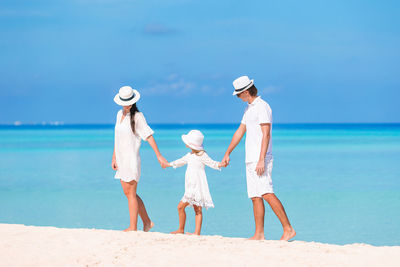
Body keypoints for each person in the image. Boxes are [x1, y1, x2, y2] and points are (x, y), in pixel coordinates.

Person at [221, 76, 296, 241]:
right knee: (255, 196)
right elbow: (240, 131)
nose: (238, 98)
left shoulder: (262, 107)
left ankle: (288, 229)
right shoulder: (248, 108)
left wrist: (262, 159)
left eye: (239, 95)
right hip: (250, 158)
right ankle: (259, 234)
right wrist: (228, 153)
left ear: (246, 92)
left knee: (267, 192)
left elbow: (266, 134)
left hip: (261, 157)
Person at [112, 85, 169, 232]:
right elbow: (117, 138)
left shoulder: (138, 117)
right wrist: (114, 157)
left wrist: (159, 155)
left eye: (127, 101)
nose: (125, 104)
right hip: (121, 159)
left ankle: (133, 227)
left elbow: (148, 136)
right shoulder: (119, 114)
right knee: (129, 193)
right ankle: (147, 222)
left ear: (132, 101)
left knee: (131, 193)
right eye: (123, 102)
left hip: (131, 160)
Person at [166, 130, 224, 235]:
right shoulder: (189, 155)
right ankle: (181, 229)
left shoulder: (202, 155)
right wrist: (168, 164)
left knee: (194, 209)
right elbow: (180, 161)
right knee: (184, 208)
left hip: (197, 187)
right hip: (190, 187)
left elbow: (212, 163)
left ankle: (194, 232)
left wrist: (221, 164)